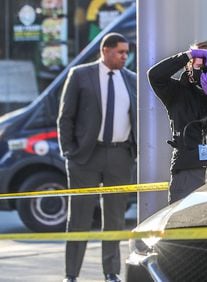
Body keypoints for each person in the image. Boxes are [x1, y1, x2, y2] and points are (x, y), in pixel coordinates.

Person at [57, 32, 137, 282]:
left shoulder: (131, 79)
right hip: (85, 157)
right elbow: (65, 117)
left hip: (120, 155)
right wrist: (70, 152)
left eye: (127, 52)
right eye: (120, 52)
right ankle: (71, 274)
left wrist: (133, 151)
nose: (125, 56)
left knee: (114, 217)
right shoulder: (81, 75)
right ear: (105, 50)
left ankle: (111, 272)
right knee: (79, 217)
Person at [148, 40, 207, 204]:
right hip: (187, 168)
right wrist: (189, 55)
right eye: (200, 61)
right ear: (188, 65)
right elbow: (154, 76)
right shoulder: (177, 91)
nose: (204, 68)